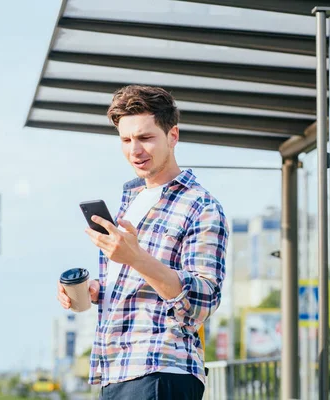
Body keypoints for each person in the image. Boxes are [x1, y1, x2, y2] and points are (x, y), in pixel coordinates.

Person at [57, 85, 228, 400]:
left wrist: (135, 258)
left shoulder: (201, 206)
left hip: (162, 369)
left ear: (172, 136)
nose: (134, 150)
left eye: (145, 138)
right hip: (117, 370)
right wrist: (96, 290)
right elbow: (140, 286)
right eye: (125, 140)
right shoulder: (131, 199)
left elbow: (202, 302)